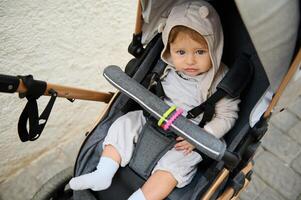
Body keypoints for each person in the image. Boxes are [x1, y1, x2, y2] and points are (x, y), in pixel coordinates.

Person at [69, 1, 240, 200]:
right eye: (181, 52)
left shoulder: (219, 79)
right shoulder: (165, 66)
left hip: (187, 137)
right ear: (170, 49)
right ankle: (103, 172)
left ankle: (141, 198)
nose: (190, 61)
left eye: (200, 52)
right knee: (124, 124)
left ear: (214, 48)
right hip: (153, 119)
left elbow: (228, 115)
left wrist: (202, 136)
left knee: (175, 167)